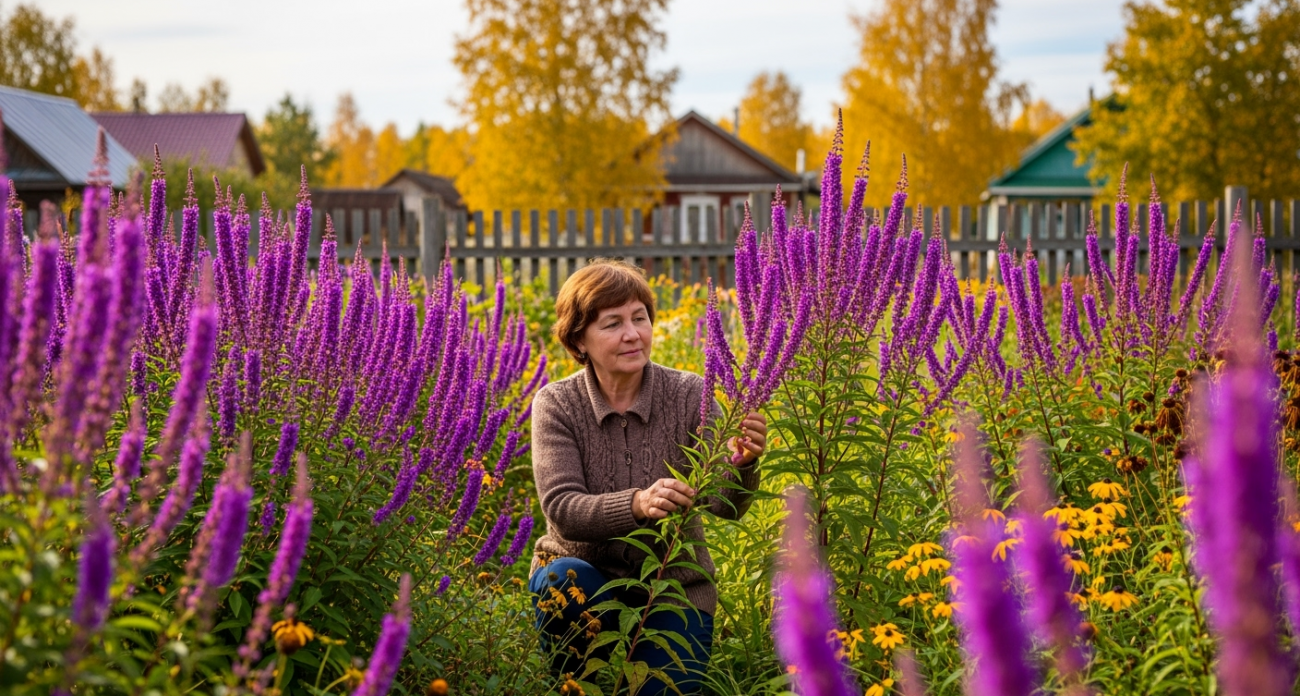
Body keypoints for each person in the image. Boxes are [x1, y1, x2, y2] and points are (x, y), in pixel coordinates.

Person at [528, 259, 766, 694]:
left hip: (674, 586)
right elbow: (562, 508)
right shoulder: (557, 405)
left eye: (640, 318)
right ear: (579, 338)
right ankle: (582, 682)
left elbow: (723, 505)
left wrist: (742, 463)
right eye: (612, 323)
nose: (632, 333)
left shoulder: (689, 393)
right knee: (562, 578)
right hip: (584, 580)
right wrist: (636, 503)